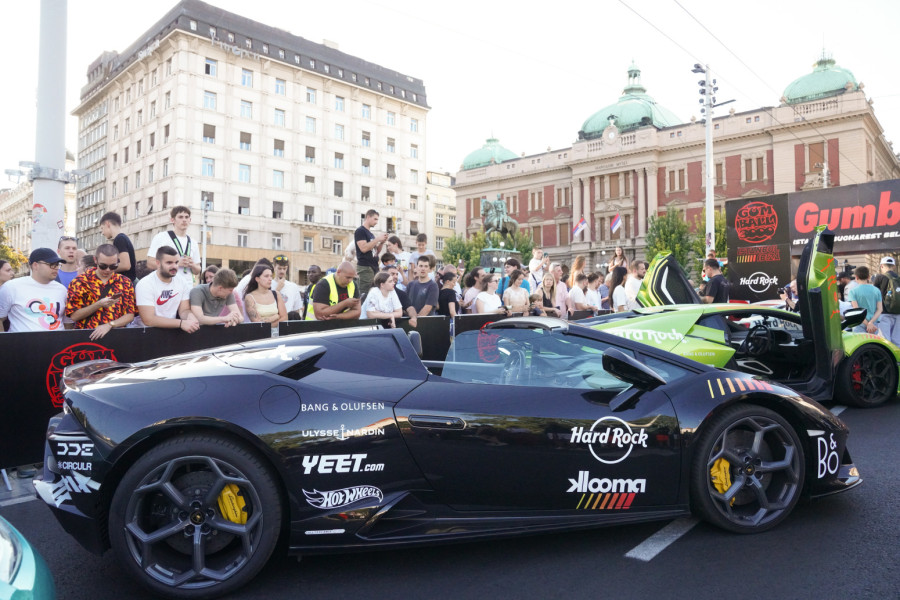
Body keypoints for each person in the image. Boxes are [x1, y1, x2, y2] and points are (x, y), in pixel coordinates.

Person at [65, 244, 137, 339]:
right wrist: (98, 304)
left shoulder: (125, 282)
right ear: (96, 260)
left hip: (116, 338)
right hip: (87, 338)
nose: (108, 270)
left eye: (113, 266)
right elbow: (74, 316)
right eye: (103, 266)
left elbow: (130, 315)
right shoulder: (80, 282)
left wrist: (110, 325)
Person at [0, 248, 67, 332]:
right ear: (35, 265)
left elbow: (67, 322)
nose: (56, 268)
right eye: (52, 264)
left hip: (57, 343)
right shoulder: (11, 287)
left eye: (57, 264)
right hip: (21, 344)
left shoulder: (62, 290)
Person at [135, 246, 200, 333]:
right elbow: (149, 320)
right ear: (158, 263)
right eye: (169, 263)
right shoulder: (145, 284)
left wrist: (190, 317)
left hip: (170, 331)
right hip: (144, 333)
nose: (174, 266)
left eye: (176, 262)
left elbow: (184, 310)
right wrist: (181, 323)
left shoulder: (182, 281)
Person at [146, 205, 201, 287]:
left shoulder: (193, 242)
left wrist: (192, 264)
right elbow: (150, 263)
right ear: (172, 220)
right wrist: (176, 264)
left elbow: (197, 270)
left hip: (187, 287)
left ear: (190, 220)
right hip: (166, 286)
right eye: (180, 217)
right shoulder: (161, 237)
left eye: (186, 217)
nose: (184, 220)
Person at [355, 209, 389, 296]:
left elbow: (376, 251)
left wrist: (381, 242)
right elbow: (363, 248)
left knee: (374, 293)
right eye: (375, 219)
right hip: (365, 267)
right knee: (365, 294)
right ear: (368, 217)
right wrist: (377, 239)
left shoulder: (370, 234)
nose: (376, 222)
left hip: (373, 267)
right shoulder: (360, 231)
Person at [244, 264, 287, 331]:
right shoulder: (250, 298)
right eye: (266, 276)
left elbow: (284, 318)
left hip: (277, 336)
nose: (270, 279)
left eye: (271, 276)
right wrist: (275, 316)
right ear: (257, 279)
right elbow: (258, 324)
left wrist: (266, 322)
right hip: (260, 337)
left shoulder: (276, 294)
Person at [100, 211, 137, 281]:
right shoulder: (122, 238)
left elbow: (125, 265)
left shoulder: (119, 239)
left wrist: (105, 269)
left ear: (107, 224)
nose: (102, 233)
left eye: (102, 228)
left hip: (126, 285)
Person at [872, 256, 900, 346]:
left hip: (884, 313)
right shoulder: (898, 278)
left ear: (881, 266)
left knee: (885, 340)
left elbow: (874, 295)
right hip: (898, 313)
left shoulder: (879, 278)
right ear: (894, 266)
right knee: (897, 341)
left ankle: (887, 359)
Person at [848, 265, 883, 335]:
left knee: (860, 344)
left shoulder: (852, 291)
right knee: (873, 344)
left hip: (859, 323)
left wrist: (867, 324)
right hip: (874, 323)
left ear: (856, 277)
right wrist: (871, 323)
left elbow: (856, 310)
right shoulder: (876, 290)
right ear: (868, 277)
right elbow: (880, 309)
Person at [272, 254, 303, 319]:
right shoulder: (268, 284)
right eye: (279, 268)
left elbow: (296, 310)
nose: (282, 271)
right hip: (273, 323)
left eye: (284, 268)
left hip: (289, 324)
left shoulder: (293, 287)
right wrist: (277, 289)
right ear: (274, 267)